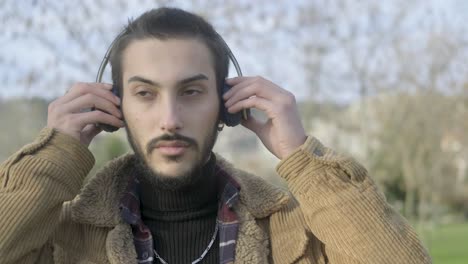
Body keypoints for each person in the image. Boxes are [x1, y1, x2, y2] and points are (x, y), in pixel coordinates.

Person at [0, 7, 431, 264]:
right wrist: (53, 156)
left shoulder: (292, 236)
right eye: (145, 94)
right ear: (116, 109)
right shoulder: (57, 237)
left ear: (227, 105)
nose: (170, 118)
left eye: (191, 92)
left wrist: (300, 156)